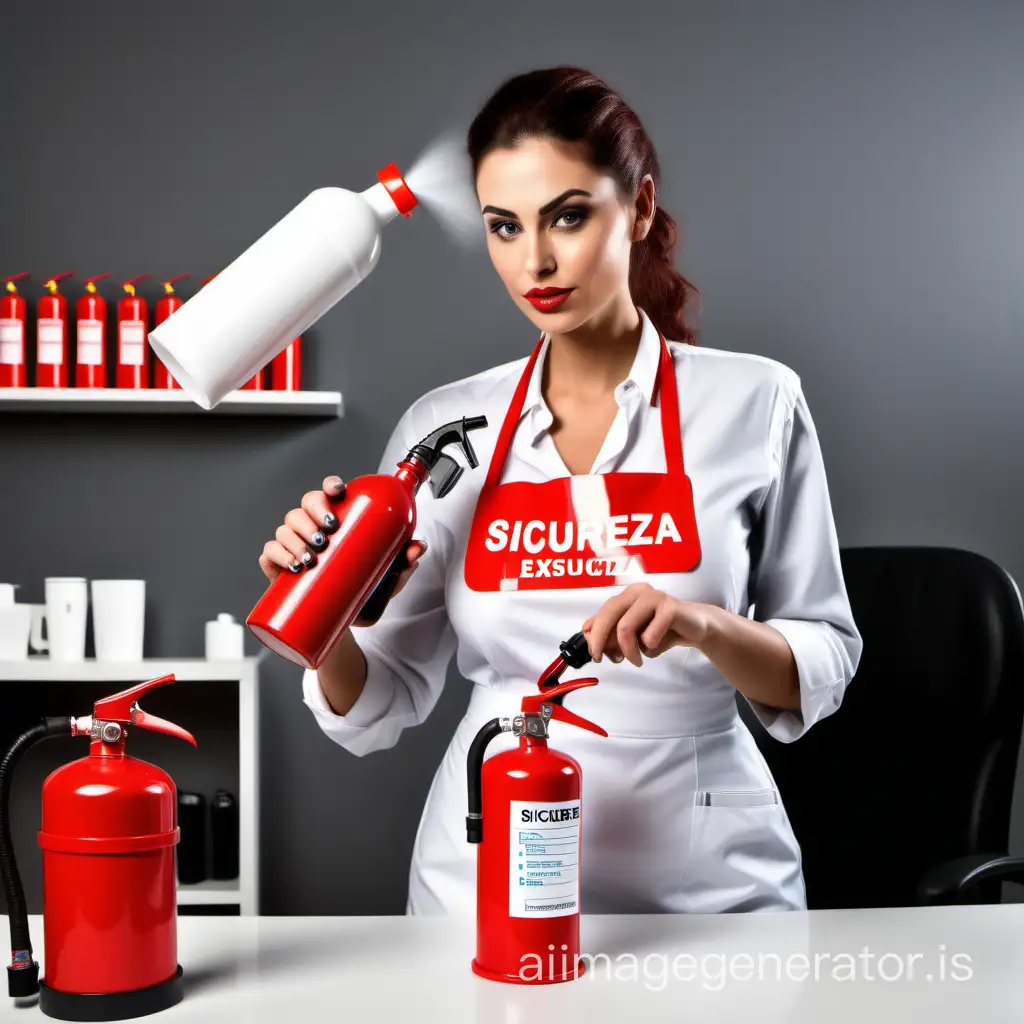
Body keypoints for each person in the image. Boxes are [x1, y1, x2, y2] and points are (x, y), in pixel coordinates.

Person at [259, 67, 863, 915]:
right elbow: (382, 699)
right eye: (504, 227)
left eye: (567, 217)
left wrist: (702, 625)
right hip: (483, 882)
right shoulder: (444, 429)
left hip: (708, 886)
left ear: (641, 208)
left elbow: (825, 657)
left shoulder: (755, 401)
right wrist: (321, 611)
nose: (534, 260)